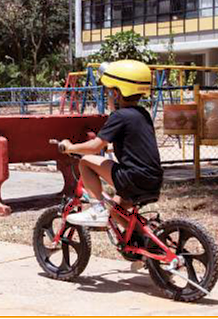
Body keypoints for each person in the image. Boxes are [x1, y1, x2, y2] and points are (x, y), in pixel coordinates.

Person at [58, 60, 163, 236]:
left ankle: (97, 209)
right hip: (154, 180)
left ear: (116, 93)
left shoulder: (119, 116)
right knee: (115, 210)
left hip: (133, 178)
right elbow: (135, 144)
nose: (107, 96)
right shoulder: (142, 114)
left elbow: (94, 146)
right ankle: (147, 242)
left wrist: (70, 147)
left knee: (85, 162)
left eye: (108, 92)